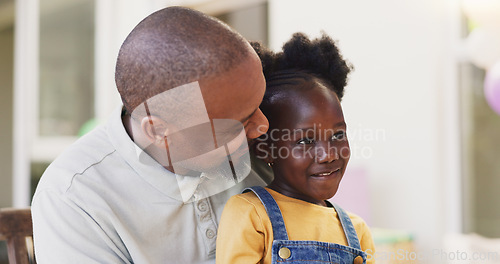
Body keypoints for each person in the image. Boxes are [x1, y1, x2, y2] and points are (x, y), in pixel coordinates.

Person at [31, 6, 273, 263]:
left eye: (260, 104)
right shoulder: (74, 198)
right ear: (159, 131)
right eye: (238, 123)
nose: (264, 125)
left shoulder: (259, 149)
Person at [215, 33, 375, 264]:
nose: (329, 154)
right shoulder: (251, 214)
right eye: (306, 141)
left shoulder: (357, 231)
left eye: (338, 135)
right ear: (265, 149)